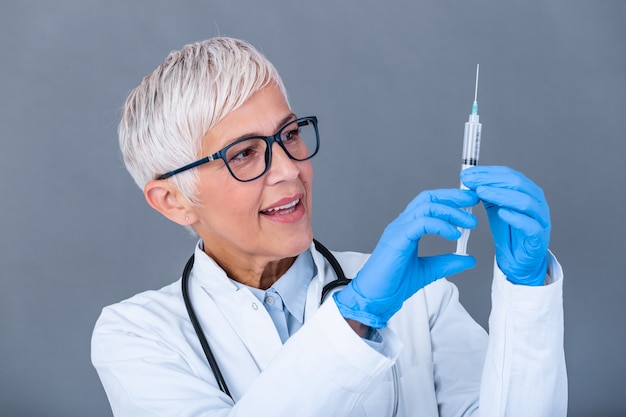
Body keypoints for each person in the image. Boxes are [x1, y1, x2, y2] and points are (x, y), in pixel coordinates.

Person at [91, 37, 567, 417]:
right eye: (244, 154)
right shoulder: (137, 335)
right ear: (173, 201)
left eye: (289, 134)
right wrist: (356, 317)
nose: (289, 169)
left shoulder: (419, 297)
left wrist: (524, 295)